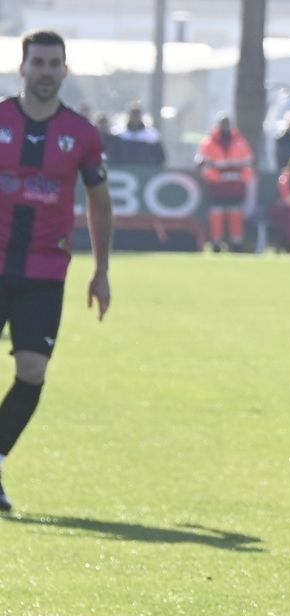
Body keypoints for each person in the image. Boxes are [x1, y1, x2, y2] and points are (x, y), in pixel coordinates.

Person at [0, 30, 113, 514]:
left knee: (32, 370)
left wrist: (101, 269)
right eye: (38, 62)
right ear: (22, 67)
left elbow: (99, 201)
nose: (46, 71)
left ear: (64, 71)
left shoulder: (82, 134)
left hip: (46, 271)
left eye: (54, 63)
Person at [196, 113, 254, 251]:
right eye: (223, 124)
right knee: (217, 213)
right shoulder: (209, 142)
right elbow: (204, 165)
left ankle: (236, 242)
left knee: (236, 213)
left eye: (228, 124)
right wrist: (217, 177)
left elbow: (249, 164)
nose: (225, 127)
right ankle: (216, 242)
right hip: (218, 186)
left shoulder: (240, 142)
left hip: (236, 186)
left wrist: (241, 177)